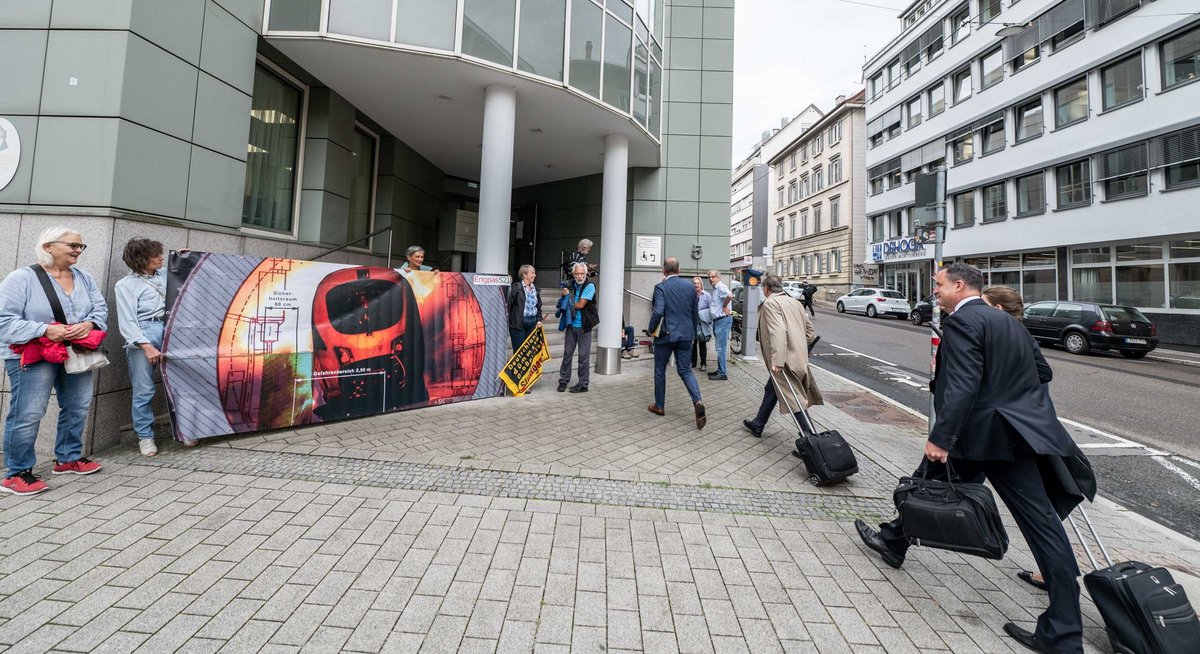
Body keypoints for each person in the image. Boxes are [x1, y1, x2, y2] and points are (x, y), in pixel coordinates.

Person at [854, 264, 1084, 654]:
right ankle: (1064, 631)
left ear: (960, 286)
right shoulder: (1010, 324)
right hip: (1015, 436)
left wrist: (941, 437)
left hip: (975, 436)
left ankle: (894, 540)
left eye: (939, 286)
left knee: (926, 480)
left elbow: (963, 383)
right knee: (1042, 524)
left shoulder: (963, 322)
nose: (935, 293)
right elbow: (1041, 373)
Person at [0, 227, 108, 495]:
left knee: (77, 406)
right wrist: (45, 330)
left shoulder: (84, 277)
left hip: (74, 352)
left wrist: (89, 323)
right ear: (48, 246)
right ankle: (16, 472)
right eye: (72, 245)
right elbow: (4, 321)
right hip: (34, 354)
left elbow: (100, 307)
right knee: (28, 413)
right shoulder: (21, 278)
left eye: (81, 246)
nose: (77, 250)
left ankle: (68, 458)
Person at [114, 239, 199, 456]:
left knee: (182, 383)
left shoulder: (164, 274)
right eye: (156, 255)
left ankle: (185, 428)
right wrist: (145, 345)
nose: (161, 258)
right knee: (144, 389)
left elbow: (189, 279)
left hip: (172, 329)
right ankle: (145, 436)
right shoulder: (125, 285)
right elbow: (127, 321)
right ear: (142, 259)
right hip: (144, 332)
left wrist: (183, 259)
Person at [741, 275, 822, 439]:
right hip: (797, 357)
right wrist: (798, 347)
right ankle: (758, 423)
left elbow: (776, 332)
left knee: (795, 399)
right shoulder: (795, 303)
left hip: (784, 361)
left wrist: (778, 361)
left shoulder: (770, 304)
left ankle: (810, 440)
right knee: (771, 389)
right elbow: (810, 333)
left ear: (765, 289)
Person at [647, 258, 705, 429]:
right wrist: (692, 332)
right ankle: (697, 401)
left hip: (666, 335)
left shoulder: (661, 287)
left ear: (664, 270)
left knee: (659, 370)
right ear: (679, 269)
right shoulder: (690, 287)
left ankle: (659, 406)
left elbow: (658, 311)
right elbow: (695, 312)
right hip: (686, 334)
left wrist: (651, 330)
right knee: (685, 370)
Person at [557, 262, 595, 393]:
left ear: (586, 274)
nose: (579, 276)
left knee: (583, 357)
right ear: (573, 274)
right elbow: (563, 301)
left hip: (584, 326)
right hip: (571, 325)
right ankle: (563, 381)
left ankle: (583, 384)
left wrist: (567, 302)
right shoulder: (570, 285)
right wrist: (564, 295)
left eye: (582, 274)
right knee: (567, 354)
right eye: (577, 274)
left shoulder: (590, 286)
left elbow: (580, 305)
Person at [507, 264, 542, 353]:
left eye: (534, 273)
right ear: (524, 274)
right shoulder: (516, 287)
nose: (534, 275)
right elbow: (509, 305)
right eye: (532, 273)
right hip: (518, 323)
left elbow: (538, 306)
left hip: (532, 323)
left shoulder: (535, 289)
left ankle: (528, 368)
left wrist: (539, 320)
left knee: (529, 351)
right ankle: (518, 367)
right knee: (519, 352)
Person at [707, 270, 733, 381]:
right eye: (709, 277)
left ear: (719, 277)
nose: (711, 279)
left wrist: (724, 307)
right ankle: (720, 370)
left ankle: (722, 373)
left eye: (713, 276)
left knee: (720, 349)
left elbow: (730, 295)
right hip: (719, 321)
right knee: (719, 348)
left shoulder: (720, 286)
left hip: (722, 321)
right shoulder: (717, 288)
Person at [691, 276, 713, 371]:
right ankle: (693, 362)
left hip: (702, 323)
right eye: (694, 283)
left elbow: (711, 309)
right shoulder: (691, 294)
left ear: (701, 284)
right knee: (693, 344)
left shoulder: (707, 295)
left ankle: (703, 363)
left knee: (702, 344)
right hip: (692, 322)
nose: (696, 285)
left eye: (698, 283)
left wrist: (703, 315)